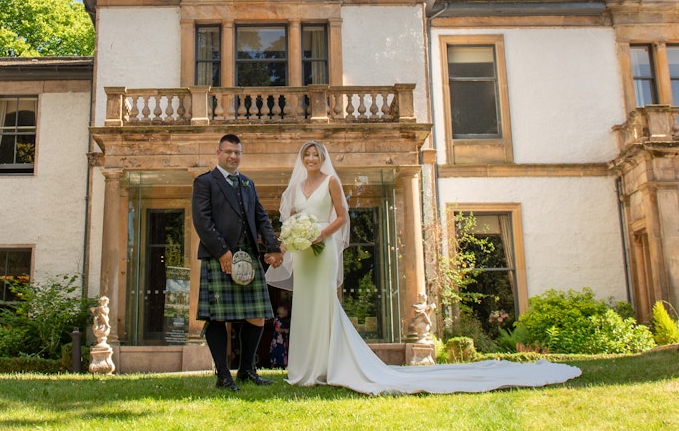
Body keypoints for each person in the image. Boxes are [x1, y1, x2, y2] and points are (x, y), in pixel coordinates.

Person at [267, 140, 582, 394]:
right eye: (307, 154)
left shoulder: (331, 181)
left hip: (323, 252)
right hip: (305, 256)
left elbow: (342, 217)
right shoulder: (295, 189)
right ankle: (304, 370)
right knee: (305, 307)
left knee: (324, 305)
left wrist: (321, 234)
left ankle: (327, 367)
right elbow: (291, 224)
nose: (311, 158)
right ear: (302, 158)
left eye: (315, 154)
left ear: (322, 157)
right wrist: (282, 250)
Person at [192, 133, 284, 391]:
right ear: (218, 153)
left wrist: (274, 248)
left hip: (249, 258)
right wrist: (222, 251)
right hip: (219, 256)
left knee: (256, 316)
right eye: (228, 151)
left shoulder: (247, 184)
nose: (233, 156)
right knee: (217, 317)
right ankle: (223, 375)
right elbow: (202, 220)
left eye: (237, 152)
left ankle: (246, 370)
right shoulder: (205, 182)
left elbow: (261, 218)